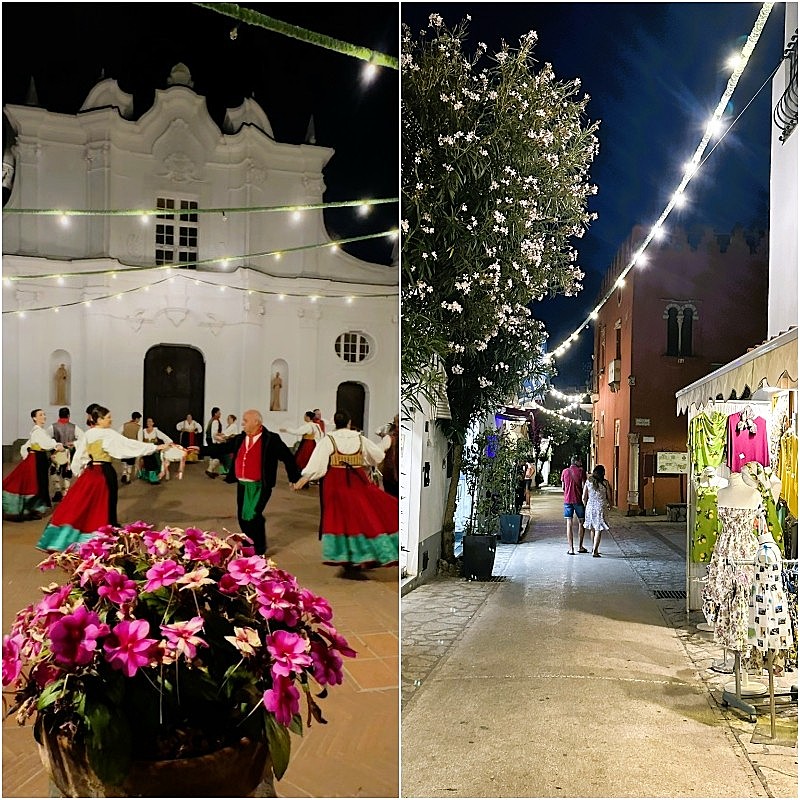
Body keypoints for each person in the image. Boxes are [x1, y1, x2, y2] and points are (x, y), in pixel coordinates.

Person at [37, 405, 166, 551]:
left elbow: (80, 455)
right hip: (104, 472)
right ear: (99, 419)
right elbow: (128, 445)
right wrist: (155, 448)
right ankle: (104, 535)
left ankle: (68, 537)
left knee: (83, 503)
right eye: (108, 417)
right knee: (107, 502)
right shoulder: (108, 434)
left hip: (91, 472)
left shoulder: (89, 434)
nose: (111, 420)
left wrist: (79, 471)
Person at [292, 410, 399, 579]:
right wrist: (364, 461)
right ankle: (363, 556)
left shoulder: (329, 440)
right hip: (357, 481)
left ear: (335, 422)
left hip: (335, 482)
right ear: (349, 422)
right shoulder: (359, 438)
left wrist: (302, 481)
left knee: (341, 520)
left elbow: (317, 464)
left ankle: (348, 560)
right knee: (363, 517)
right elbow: (377, 455)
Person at [219, 408, 301, 555]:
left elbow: (288, 457)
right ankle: (250, 540)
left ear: (256, 422)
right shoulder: (240, 438)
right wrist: (199, 449)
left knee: (254, 516)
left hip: (260, 485)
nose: (242, 424)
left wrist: (294, 478)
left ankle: (260, 548)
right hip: (243, 484)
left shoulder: (271, 439)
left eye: (245, 421)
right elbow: (222, 448)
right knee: (243, 518)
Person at [3, 409, 64, 521]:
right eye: (40, 415)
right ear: (34, 418)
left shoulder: (38, 431)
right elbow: (46, 443)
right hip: (36, 459)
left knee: (37, 482)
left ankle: (33, 509)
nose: (44, 416)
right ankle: (34, 508)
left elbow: (26, 446)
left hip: (37, 458)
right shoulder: (38, 431)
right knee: (37, 483)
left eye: (44, 414)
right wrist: (57, 446)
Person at [47, 406, 84, 502]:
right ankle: (65, 493)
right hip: (68, 453)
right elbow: (83, 438)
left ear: (59, 415)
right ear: (68, 415)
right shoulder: (74, 427)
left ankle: (58, 490)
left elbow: (46, 438)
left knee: (54, 471)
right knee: (67, 472)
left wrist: (54, 445)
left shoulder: (53, 426)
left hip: (56, 453)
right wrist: (73, 444)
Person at [582, 464, 612, 557]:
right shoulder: (605, 483)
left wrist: (586, 505)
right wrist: (610, 504)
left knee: (592, 528)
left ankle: (594, 548)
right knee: (598, 528)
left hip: (590, 507)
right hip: (600, 507)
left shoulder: (588, 482)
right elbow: (609, 497)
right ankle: (595, 551)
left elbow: (584, 497)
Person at [561, 455, 588, 555]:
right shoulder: (581, 471)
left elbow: (563, 487)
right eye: (580, 461)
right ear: (577, 462)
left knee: (569, 523)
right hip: (578, 500)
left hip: (567, 500)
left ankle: (571, 549)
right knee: (581, 522)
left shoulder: (565, 471)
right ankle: (580, 546)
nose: (581, 463)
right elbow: (584, 486)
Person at [137, 418, 174, 484]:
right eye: (148, 421)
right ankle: (147, 476)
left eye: (150, 421)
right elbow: (140, 441)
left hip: (154, 450)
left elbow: (164, 437)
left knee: (155, 462)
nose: (149, 422)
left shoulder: (156, 431)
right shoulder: (143, 431)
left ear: (153, 423)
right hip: (146, 450)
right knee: (145, 461)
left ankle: (153, 477)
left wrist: (169, 442)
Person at [118, 411, 142, 485]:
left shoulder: (124, 425)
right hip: (132, 447)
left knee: (124, 461)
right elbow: (140, 439)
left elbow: (118, 434)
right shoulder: (138, 427)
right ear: (137, 419)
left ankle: (124, 474)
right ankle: (128, 478)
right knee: (130, 463)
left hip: (124, 446)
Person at [379, 414, 400, 498]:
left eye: (398, 422)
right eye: (395, 423)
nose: (396, 425)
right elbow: (379, 450)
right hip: (390, 476)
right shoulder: (390, 437)